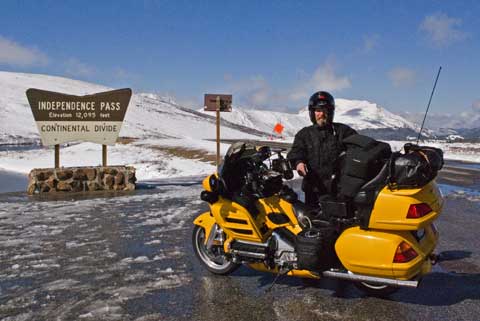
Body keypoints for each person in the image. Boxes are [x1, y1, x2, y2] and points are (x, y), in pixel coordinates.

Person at [287, 91, 357, 208]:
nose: (322, 114)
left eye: (325, 111)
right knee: (313, 222)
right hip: (314, 190)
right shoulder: (304, 134)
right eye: (318, 111)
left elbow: (358, 146)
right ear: (312, 113)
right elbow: (296, 152)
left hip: (339, 190)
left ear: (331, 112)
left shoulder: (343, 131)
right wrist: (299, 163)